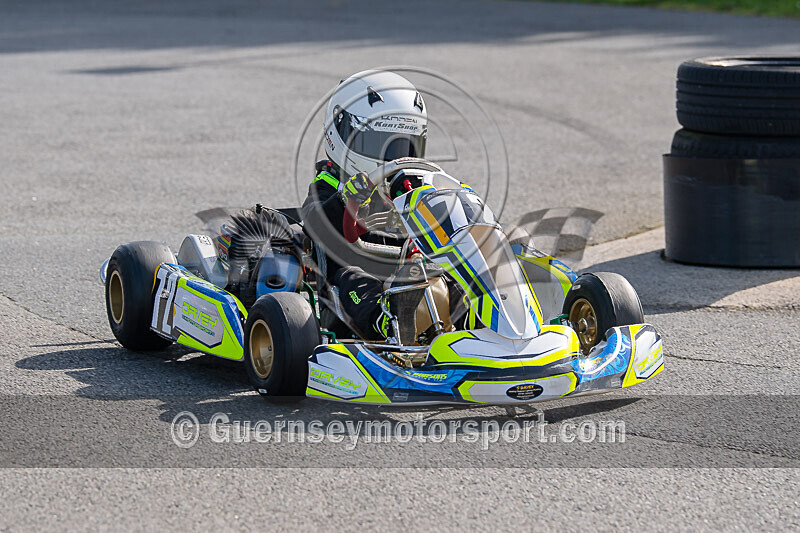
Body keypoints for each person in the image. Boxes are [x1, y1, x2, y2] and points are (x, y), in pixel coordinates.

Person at [301, 70, 429, 340]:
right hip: (351, 274)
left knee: (454, 270)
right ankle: (386, 323)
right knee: (356, 279)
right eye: (381, 145)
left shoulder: (408, 189)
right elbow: (313, 220)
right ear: (341, 134)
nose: (395, 159)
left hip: (409, 267)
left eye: (405, 147)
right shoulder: (329, 184)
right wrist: (345, 200)